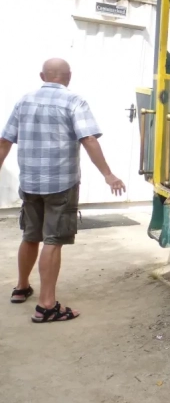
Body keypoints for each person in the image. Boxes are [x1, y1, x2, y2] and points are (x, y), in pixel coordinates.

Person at [0, 58, 125, 322]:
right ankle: (46, 306)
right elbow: (88, 138)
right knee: (53, 240)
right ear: (69, 77)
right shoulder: (73, 101)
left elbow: (4, 141)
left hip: (30, 183)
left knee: (30, 235)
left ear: (42, 76)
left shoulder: (24, 101)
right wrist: (108, 174)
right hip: (61, 184)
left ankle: (21, 287)